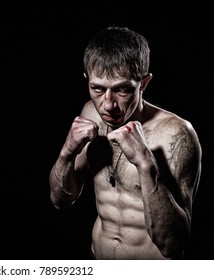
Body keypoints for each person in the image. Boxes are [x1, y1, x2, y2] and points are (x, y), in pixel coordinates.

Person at [49, 25, 202, 260]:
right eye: (97, 89)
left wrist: (146, 164)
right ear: (87, 79)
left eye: (122, 90)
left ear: (144, 83)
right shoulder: (90, 114)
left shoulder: (176, 134)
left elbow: (172, 244)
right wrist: (66, 153)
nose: (108, 105)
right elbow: (60, 200)